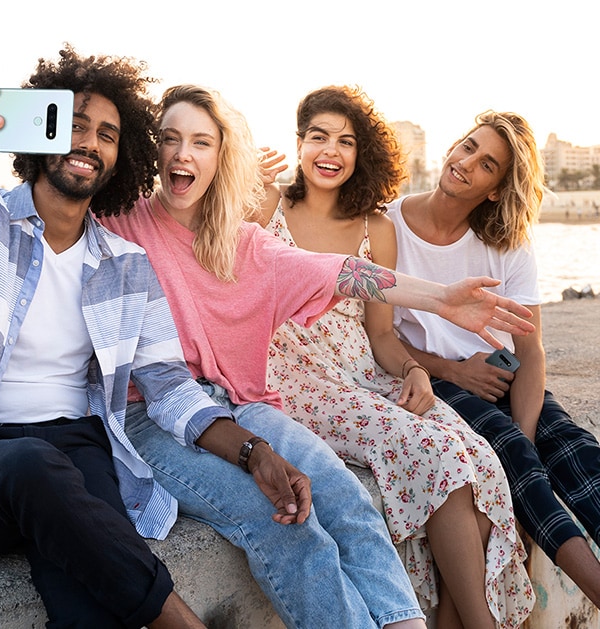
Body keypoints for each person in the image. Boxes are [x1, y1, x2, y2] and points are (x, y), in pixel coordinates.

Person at [100, 84, 536, 629]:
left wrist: (442, 298)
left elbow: (338, 272)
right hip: (149, 418)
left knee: (347, 501)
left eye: (201, 142)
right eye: (170, 140)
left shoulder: (242, 242)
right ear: (153, 151)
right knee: (282, 519)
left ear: (221, 156)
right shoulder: (119, 220)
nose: (183, 154)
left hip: (240, 403)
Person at [0, 45, 278, 629]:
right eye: (74, 123)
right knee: (36, 466)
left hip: (77, 449)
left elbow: (169, 388)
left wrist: (253, 449)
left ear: (123, 156)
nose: (89, 142)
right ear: (41, 134)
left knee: (81, 583)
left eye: (108, 134)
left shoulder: (126, 264)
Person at [257, 86, 533, 628]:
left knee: (480, 460)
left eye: (345, 141)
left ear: (362, 155)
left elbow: (381, 335)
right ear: (299, 142)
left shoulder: (374, 228)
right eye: (318, 137)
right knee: (440, 457)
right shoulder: (267, 205)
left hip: (364, 371)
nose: (330, 151)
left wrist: (413, 370)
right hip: (294, 376)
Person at [388, 110, 600, 609]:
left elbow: (530, 353)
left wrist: (523, 442)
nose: (465, 163)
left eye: (486, 165)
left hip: (502, 375)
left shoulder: (505, 244)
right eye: (467, 146)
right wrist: (454, 371)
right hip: (436, 381)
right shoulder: (387, 224)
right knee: (514, 452)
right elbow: (378, 339)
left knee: (576, 451)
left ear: (495, 190)